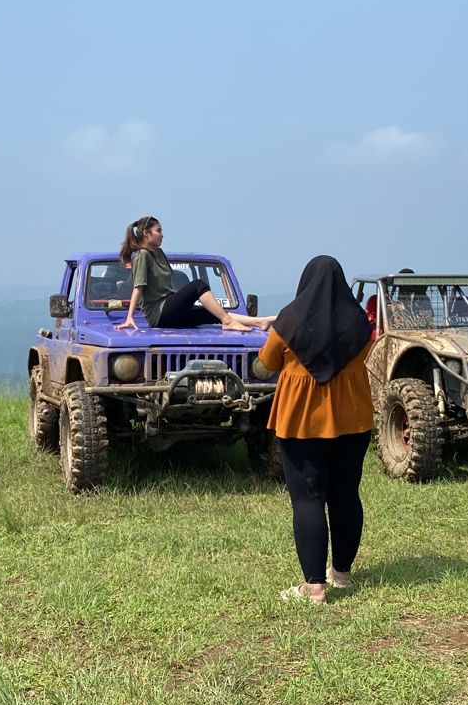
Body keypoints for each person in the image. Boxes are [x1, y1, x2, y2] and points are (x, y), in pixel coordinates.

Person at [260, 255, 375, 604]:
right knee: (345, 495)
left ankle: (313, 588)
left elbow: (267, 363)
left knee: (308, 499)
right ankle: (340, 577)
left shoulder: (289, 320)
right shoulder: (359, 321)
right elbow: (362, 352)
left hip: (302, 421)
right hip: (352, 419)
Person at [113, 216, 275, 332]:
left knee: (210, 313)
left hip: (171, 311)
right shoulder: (142, 255)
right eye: (158, 231)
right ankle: (227, 322)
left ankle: (259, 322)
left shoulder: (159, 253)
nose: (162, 235)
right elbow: (138, 287)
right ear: (147, 233)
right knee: (198, 285)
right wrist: (130, 317)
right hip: (159, 314)